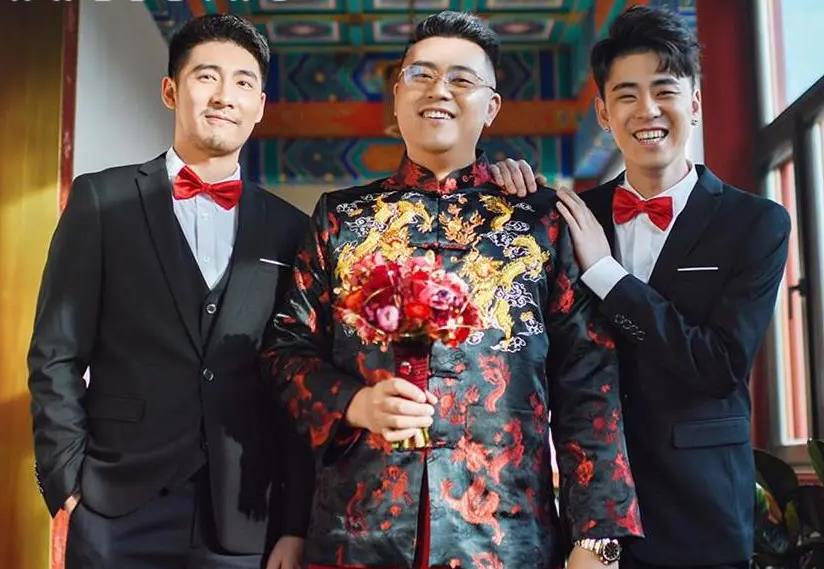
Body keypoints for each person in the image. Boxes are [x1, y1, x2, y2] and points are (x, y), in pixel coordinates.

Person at [262, 11, 642, 569]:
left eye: (462, 79)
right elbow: (285, 351)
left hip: (505, 538)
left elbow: (589, 382)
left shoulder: (540, 223)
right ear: (397, 97)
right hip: (356, 533)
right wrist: (354, 402)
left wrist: (597, 540)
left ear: (491, 108)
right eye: (421, 75)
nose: (439, 90)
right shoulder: (341, 220)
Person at [490, 6, 791, 568]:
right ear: (604, 113)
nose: (647, 110)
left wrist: (607, 275)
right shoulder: (571, 218)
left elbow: (719, 366)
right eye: (626, 95)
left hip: (701, 509)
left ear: (694, 102)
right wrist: (500, 183)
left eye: (664, 90)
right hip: (591, 514)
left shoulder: (757, 223)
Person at [28, 14, 312, 569]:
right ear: (170, 90)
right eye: (206, 77)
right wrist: (66, 481)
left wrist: (295, 522)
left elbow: (297, 381)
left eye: (243, 82)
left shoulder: (291, 229)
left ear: (259, 106)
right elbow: (55, 353)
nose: (224, 96)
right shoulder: (102, 201)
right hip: (116, 508)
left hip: (245, 515)